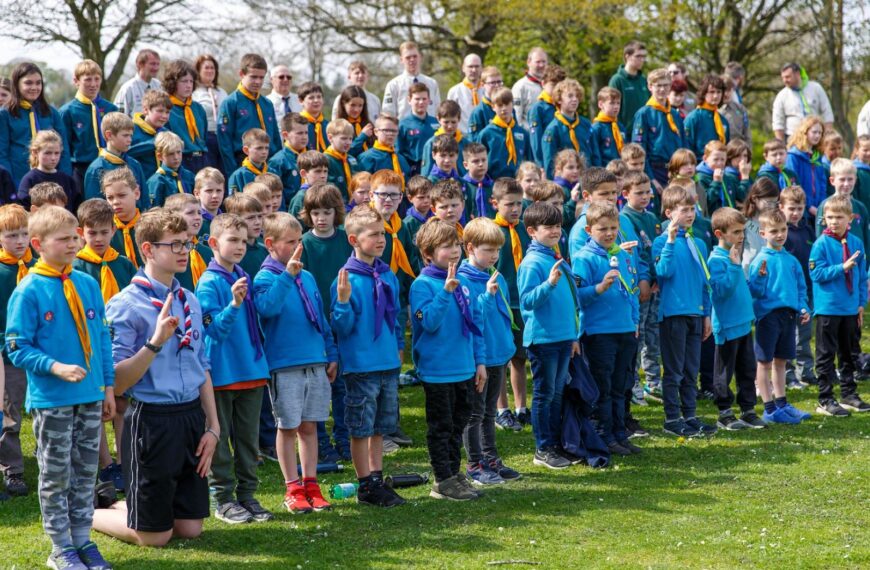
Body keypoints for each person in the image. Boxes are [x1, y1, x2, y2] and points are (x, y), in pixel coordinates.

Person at [93, 209, 218, 547]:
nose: (183, 251)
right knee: (155, 537)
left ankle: (131, 506)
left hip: (190, 415)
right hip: (152, 419)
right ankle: (84, 512)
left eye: (187, 244)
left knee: (191, 529)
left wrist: (213, 426)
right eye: (174, 244)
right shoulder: (125, 305)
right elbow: (116, 382)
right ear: (147, 249)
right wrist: (155, 343)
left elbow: (201, 366)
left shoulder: (187, 299)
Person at [6, 205, 115, 568]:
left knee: (86, 471)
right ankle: (60, 547)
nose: (74, 243)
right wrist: (54, 366)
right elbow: (16, 347)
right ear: (38, 244)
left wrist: (108, 387)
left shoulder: (85, 282)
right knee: (56, 473)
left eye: (75, 237)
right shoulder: (29, 290)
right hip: (52, 399)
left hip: (90, 395)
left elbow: (101, 337)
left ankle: (82, 539)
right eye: (64, 239)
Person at [254, 212, 338, 513]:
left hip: (314, 361)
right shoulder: (264, 278)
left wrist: (330, 352)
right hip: (285, 364)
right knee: (287, 426)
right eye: (290, 242)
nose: (298, 247)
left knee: (310, 426)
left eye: (299, 240)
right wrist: (287, 276)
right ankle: (292, 487)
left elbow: (320, 318)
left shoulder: (309, 276)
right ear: (270, 244)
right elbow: (267, 308)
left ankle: (311, 483)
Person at [195, 213, 272, 524]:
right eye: (232, 240)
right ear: (214, 243)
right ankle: (224, 498)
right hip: (223, 374)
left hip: (251, 371)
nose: (240, 246)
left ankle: (248, 495)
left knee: (248, 439)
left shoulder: (243, 274)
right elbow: (212, 329)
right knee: (222, 438)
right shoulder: (209, 282)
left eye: (243, 240)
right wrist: (234, 305)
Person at [330, 205, 407, 507]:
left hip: (387, 362)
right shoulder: (346, 278)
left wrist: (399, 345)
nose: (381, 240)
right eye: (373, 235)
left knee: (380, 426)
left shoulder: (387, 274)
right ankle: (365, 484)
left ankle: (377, 478)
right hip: (361, 365)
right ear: (353, 240)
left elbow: (395, 315)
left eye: (383, 234)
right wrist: (344, 302)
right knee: (361, 427)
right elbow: (341, 327)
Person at [411, 217, 486, 501]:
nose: (454, 250)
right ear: (428, 253)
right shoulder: (423, 285)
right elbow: (425, 321)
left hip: (464, 367)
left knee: (458, 425)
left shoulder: (462, 281)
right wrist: (445, 292)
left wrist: (479, 362)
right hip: (438, 371)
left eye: (456, 244)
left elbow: (474, 323)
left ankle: (455, 473)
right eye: (445, 246)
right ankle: (442, 480)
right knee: (441, 427)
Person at [73, 198, 137, 493]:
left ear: (113, 230)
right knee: (99, 407)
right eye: (92, 233)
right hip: (89, 346)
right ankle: (105, 464)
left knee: (122, 403)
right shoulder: (76, 267)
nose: (99, 239)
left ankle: (125, 462)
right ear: (80, 232)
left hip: (121, 345)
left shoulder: (124, 264)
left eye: (104, 232)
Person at [457, 217, 522, 483]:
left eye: (497, 250)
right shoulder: (463, 280)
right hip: (477, 358)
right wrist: (486, 295)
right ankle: (474, 464)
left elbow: (503, 316)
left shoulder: (494, 276)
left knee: (489, 412)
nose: (494, 255)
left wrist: (507, 348)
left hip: (498, 354)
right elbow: (471, 319)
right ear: (470, 248)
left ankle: (490, 458)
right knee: (475, 412)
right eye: (488, 250)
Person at [574, 201, 641, 455]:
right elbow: (578, 296)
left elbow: (632, 290)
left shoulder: (622, 255)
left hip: (625, 329)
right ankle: (604, 435)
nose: (610, 233)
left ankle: (619, 433)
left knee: (622, 384)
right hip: (599, 332)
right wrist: (599, 288)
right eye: (603, 229)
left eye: (613, 227)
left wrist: (634, 321)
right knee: (603, 385)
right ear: (589, 230)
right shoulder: (584, 258)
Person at [517, 202, 580, 469]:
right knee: (544, 395)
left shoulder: (554, 256)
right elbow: (527, 301)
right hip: (543, 340)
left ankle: (554, 444)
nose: (555, 231)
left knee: (556, 394)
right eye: (549, 227)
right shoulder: (532, 262)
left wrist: (574, 335)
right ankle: (543, 448)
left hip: (563, 337)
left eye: (557, 226)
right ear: (532, 231)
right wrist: (549, 284)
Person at [652, 185, 717, 437]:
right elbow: (663, 272)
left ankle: (689, 415)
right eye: (685, 210)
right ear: (669, 212)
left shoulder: (698, 243)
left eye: (693, 209)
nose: (691, 214)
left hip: (695, 313)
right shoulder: (660, 242)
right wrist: (669, 240)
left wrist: (707, 314)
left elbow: (705, 282)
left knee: (691, 369)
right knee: (674, 370)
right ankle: (672, 418)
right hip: (673, 315)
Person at [299, 184, 353, 460]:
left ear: (336, 213)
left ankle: (344, 437)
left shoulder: (345, 239)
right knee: (319, 386)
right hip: (315, 323)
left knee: (343, 384)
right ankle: (320, 441)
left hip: (343, 318)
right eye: (315, 212)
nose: (321, 218)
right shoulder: (305, 244)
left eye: (327, 212)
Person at [747, 208, 812, 425]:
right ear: (763, 234)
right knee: (764, 362)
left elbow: (801, 289)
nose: (780, 235)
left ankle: (782, 403)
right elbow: (754, 292)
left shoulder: (791, 261)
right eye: (774, 231)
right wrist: (758, 278)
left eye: (783, 229)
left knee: (782, 361)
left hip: (788, 316)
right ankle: (769, 407)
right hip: (768, 317)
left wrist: (803, 308)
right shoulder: (761, 260)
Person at [808, 194, 870, 416]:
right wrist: (841, 268)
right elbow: (816, 273)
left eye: (839, 217)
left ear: (850, 219)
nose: (834, 221)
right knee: (826, 355)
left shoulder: (856, 243)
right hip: (828, 308)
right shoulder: (820, 244)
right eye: (830, 217)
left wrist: (861, 303)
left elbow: (862, 276)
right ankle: (825, 398)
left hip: (850, 308)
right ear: (824, 219)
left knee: (848, 354)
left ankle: (849, 394)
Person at [707, 207, 767, 430]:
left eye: (742, 231)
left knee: (747, 369)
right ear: (719, 234)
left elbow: (743, 290)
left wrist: (758, 279)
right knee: (724, 372)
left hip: (743, 323)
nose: (741, 236)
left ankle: (748, 410)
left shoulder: (734, 255)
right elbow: (722, 292)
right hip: (727, 326)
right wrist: (733, 266)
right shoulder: (717, 260)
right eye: (736, 232)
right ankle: (724, 413)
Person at [489, 178, 531, 431]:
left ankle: (521, 407)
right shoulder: (491, 231)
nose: (515, 209)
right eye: (509, 204)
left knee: (519, 358)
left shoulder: (526, 229)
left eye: (519, 203)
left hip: (522, 302)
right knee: (501, 359)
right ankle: (501, 409)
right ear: (495, 203)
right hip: (500, 303)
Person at [0, 204, 36, 499]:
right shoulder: (1, 271)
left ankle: (47, 457)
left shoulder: (36, 267)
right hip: (7, 352)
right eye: (12, 235)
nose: (20, 240)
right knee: (11, 411)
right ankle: (12, 468)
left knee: (39, 407)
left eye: (24, 234)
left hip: (36, 349)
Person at [620, 170, 662, 406]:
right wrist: (644, 280)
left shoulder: (652, 218)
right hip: (639, 285)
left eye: (648, 192)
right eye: (639, 193)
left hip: (656, 284)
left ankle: (654, 382)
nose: (645, 196)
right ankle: (634, 383)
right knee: (639, 337)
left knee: (653, 335)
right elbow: (637, 254)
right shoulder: (626, 218)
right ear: (625, 194)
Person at [0, 61, 72, 187]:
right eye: (28, 83)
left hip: (51, 182)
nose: (34, 87)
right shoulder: (5, 114)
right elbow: (2, 154)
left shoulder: (52, 113)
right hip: (18, 180)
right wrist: (8, 185)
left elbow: (63, 150)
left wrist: (65, 182)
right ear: (17, 84)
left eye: (38, 83)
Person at [217, 54, 282, 176]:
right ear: (241, 74)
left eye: (261, 78)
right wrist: (233, 171)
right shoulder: (231, 102)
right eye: (253, 77)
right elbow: (224, 142)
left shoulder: (267, 104)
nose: (258, 82)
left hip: (267, 165)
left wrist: (276, 165)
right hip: (242, 164)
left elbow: (276, 139)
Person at [779, 186, 817, 388]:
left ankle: (806, 370)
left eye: (800, 209)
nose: (796, 213)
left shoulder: (808, 229)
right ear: (781, 207)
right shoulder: (781, 233)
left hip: (806, 290)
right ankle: (788, 372)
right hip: (787, 292)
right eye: (791, 208)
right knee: (787, 333)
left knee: (804, 332)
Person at [60, 59, 119, 186]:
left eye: (97, 79)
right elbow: (64, 147)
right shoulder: (67, 112)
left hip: (110, 167)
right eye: (87, 79)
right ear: (76, 81)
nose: (93, 84)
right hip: (81, 170)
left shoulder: (111, 109)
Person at [631, 68, 685, 192]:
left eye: (666, 85)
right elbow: (639, 149)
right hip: (655, 171)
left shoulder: (674, 114)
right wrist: (650, 178)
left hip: (676, 171)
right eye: (658, 85)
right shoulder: (644, 114)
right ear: (650, 86)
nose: (662, 89)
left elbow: (683, 145)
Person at [82, 112, 147, 209]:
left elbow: (144, 200)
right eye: (125, 135)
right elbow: (94, 209)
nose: (130, 140)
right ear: (109, 135)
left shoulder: (135, 164)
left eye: (131, 136)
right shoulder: (96, 169)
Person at [542, 79, 599, 178]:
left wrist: (597, 175)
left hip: (588, 178)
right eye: (570, 96)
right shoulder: (553, 129)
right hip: (564, 181)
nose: (575, 99)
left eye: (577, 96)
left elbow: (595, 153)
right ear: (559, 100)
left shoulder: (586, 124)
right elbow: (549, 161)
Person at [163, 60, 209, 174]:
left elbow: (204, 136)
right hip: (181, 160)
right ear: (173, 83)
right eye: (184, 81)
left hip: (202, 159)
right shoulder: (166, 109)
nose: (188, 85)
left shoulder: (198, 108)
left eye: (191, 81)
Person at [17, 130, 79, 211]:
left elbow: (75, 207)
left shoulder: (67, 179)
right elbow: (24, 209)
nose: (53, 158)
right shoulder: (29, 180)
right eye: (48, 153)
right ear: (35, 152)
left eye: (57, 153)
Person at [162, 193, 212, 292]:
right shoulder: (168, 252)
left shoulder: (208, 253)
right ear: (172, 216)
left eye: (199, 213)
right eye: (190, 213)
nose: (197, 217)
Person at [815, 158, 869, 248]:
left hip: (858, 258)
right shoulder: (825, 206)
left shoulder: (861, 208)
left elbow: (867, 240)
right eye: (842, 179)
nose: (846, 184)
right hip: (834, 258)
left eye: (850, 179)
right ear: (832, 181)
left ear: (855, 180)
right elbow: (820, 236)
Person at [478, 88, 531, 179]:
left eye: (507, 104)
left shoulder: (522, 133)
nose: (504, 108)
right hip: (494, 181)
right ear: (493, 107)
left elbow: (529, 158)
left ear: (512, 104)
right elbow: (478, 159)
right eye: (499, 105)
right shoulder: (486, 134)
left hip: (518, 181)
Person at [772, 63, 834, 141]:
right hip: (793, 139)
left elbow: (827, 113)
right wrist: (781, 144)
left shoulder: (816, 88)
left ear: (797, 74)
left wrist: (827, 136)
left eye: (787, 77)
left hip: (817, 137)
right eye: (783, 78)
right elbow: (777, 123)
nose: (785, 81)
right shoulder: (781, 96)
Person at [382, 41, 441, 120]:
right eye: (408, 57)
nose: (412, 60)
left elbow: (438, 110)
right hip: (403, 130)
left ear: (420, 57)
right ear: (401, 60)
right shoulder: (394, 85)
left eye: (415, 56)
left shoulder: (432, 83)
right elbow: (388, 113)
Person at [192, 55, 228, 173]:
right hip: (205, 138)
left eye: (212, 68)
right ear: (198, 71)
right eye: (206, 68)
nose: (210, 71)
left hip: (223, 138)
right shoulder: (194, 93)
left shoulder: (222, 92)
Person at [785, 116, 827, 217]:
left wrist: (821, 206)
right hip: (800, 212)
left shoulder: (817, 157)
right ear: (805, 132)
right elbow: (792, 185)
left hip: (818, 210)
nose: (817, 136)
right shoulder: (793, 156)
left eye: (820, 133)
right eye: (814, 132)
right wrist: (808, 206)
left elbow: (822, 183)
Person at [103, 168, 144, 269]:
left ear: (136, 193)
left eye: (121, 195)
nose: (115, 202)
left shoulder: (150, 225)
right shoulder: (106, 230)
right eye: (110, 198)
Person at [527, 65, 567, 165]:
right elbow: (536, 140)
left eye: (560, 86)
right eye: (553, 85)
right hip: (548, 161)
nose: (557, 90)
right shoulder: (538, 109)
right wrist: (540, 165)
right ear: (543, 83)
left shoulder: (563, 105)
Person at [397, 83, 439, 177]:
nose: (421, 102)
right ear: (409, 100)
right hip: (414, 171)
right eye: (417, 99)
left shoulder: (436, 122)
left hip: (435, 170)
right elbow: (398, 152)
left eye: (424, 99)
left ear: (429, 100)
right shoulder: (403, 125)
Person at [684, 74, 730, 158]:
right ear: (704, 93)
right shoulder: (693, 118)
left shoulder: (723, 121)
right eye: (712, 92)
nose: (716, 96)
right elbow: (686, 146)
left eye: (719, 92)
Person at [268, 113, 309, 208]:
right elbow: (276, 194)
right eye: (299, 133)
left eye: (306, 132)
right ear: (285, 135)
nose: (304, 137)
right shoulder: (277, 161)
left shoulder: (311, 157)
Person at [129, 90, 171, 181]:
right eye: (160, 111)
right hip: (139, 183)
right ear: (146, 110)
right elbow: (125, 153)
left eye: (167, 112)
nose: (164, 116)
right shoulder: (131, 129)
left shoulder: (166, 133)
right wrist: (155, 143)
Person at [146, 131, 195, 207]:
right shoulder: (156, 181)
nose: (176, 157)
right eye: (171, 154)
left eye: (179, 152)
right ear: (160, 156)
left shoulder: (189, 176)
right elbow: (154, 210)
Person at [608, 41, 650, 129]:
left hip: (644, 132)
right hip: (624, 133)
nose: (642, 60)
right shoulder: (617, 80)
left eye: (644, 57)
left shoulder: (643, 80)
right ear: (627, 56)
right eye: (638, 56)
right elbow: (610, 108)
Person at [421, 100, 468, 178]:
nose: (450, 126)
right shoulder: (431, 143)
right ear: (438, 119)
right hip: (439, 186)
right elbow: (426, 173)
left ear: (459, 119)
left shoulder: (465, 143)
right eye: (446, 122)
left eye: (453, 122)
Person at [357, 115, 411, 183]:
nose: (391, 134)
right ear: (376, 132)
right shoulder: (367, 158)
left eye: (394, 131)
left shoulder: (401, 158)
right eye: (386, 130)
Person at [113, 49, 161, 116]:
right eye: (152, 64)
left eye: (158, 64)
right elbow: (119, 116)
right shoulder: (128, 88)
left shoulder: (159, 86)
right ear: (140, 64)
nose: (156, 68)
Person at [511, 47, 549, 129]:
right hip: (529, 137)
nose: (542, 65)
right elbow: (517, 119)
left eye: (544, 62)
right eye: (538, 62)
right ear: (528, 62)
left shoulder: (551, 85)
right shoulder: (520, 87)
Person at [446, 54, 485, 133]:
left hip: (484, 138)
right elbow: (449, 117)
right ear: (463, 68)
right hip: (463, 138)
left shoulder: (488, 90)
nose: (474, 70)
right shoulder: (454, 92)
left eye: (477, 66)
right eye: (470, 66)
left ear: (481, 68)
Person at [334, 85, 375, 158]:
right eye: (352, 105)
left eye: (360, 105)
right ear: (343, 104)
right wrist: (362, 136)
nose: (356, 109)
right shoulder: (338, 126)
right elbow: (346, 152)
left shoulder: (368, 124)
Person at [228, 128, 271, 195]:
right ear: (246, 150)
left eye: (267, 148)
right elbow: (233, 202)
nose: (264, 152)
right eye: (259, 148)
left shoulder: (272, 172)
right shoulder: (238, 176)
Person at [287, 152, 330, 220]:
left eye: (325, 171)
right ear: (304, 174)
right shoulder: (301, 198)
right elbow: (294, 227)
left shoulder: (328, 193)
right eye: (318, 171)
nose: (323, 176)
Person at [323, 119, 358, 201]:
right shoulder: (324, 160)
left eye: (350, 139)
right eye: (344, 138)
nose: (348, 142)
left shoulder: (352, 159)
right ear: (330, 137)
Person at [467, 66, 505, 142]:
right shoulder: (478, 112)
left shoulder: (508, 107)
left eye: (499, 82)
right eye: (493, 83)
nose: (497, 85)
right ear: (482, 84)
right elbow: (475, 141)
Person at [592, 87, 626, 166]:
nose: (616, 106)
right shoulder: (597, 128)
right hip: (605, 169)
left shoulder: (620, 126)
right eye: (612, 103)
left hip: (622, 169)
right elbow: (595, 154)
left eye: (618, 103)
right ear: (601, 104)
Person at [461, 142, 493, 220]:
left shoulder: (494, 186)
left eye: (484, 160)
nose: (481, 164)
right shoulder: (461, 186)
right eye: (476, 161)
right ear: (466, 165)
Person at [194, 167, 225, 240]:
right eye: (209, 191)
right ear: (197, 194)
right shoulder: (194, 222)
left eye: (219, 190)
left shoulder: (227, 221)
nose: (215, 195)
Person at [298, 82, 329, 153]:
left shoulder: (327, 125)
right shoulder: (297, 124)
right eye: (311, 98)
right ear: (301, 101)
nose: (316, 100)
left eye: (319, 97)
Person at [720, 75, 750, 146]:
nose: (726, 94)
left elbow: (747, 134)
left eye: (729, 90)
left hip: (738, 150)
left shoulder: (741, 109)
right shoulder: (714, 110)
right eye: (724, 91)